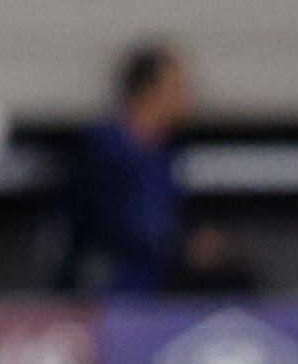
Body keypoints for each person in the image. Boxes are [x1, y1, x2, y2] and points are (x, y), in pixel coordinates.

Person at [59, 40, 239, 295]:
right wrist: (178, 245)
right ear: (148, 91)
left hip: (161, 282)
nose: (188, 98)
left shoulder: (168, 153)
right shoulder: (102, 150)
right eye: (178, 88)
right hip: (110, 285)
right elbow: (99, 228)